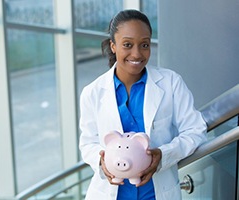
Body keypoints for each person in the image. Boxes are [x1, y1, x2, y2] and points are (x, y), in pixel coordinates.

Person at [79, 9, 207, 200]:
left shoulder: (171, 83)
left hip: (156, 193)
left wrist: (163, 155)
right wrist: (102, 161)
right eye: (127, 45)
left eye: (144, 45)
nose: (137, 54)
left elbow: (196, 130)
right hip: (109, 193)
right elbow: (88, 142)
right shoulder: (93, 92)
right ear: (113, 46)